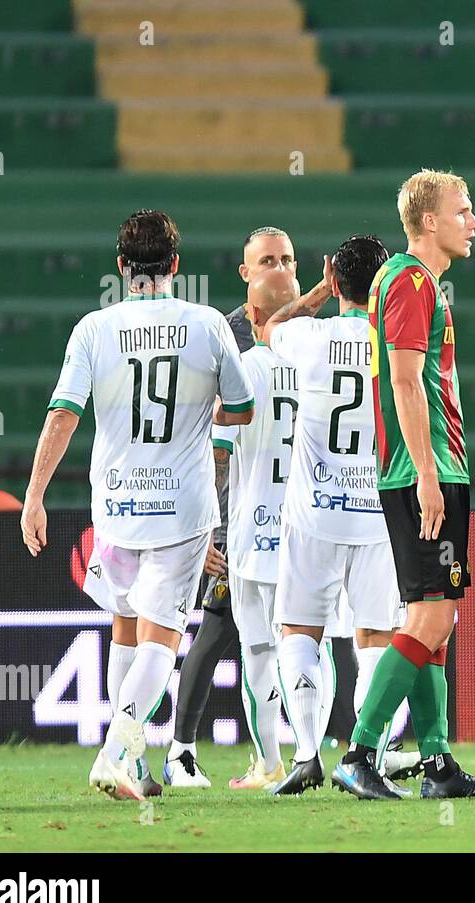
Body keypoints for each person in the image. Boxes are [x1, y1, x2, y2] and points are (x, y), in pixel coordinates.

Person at [22, 209, 253, 801]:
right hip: (183, 507)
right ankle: (118, 751)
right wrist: (198, 415)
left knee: (124, 626)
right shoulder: (206, 325)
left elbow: (63, 414)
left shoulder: (94, 329)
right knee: (161, 637)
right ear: (175, 265)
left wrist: (35, 497)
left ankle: (136, 765)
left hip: (117, 508)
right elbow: (243, 409)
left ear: (122, 267)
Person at [344, 170, 475, 800]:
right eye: (464, 211)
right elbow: (406, 381)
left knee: (432, 619)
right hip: (426, 471)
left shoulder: (411, 282)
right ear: (431, 221)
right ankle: (361, 751)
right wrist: (428, 473)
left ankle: (437, 761)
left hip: (428, 469)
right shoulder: (412, 282)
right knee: (433, 615)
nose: (474, 222)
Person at [260, 235, 413, 797]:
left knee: (299, 630)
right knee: (375, 638)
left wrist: (317, 292)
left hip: (313, 512)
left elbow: (268, 328)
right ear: (381, 284)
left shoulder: (310, 336)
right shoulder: (393, 341)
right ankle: (363, 754)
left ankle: (305, 754)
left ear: (334, 278)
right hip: (377, 513)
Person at [166, 225, 298, 788]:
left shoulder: (305, 332)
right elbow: (201, 436)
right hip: (242, 517)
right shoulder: (227, 337)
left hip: (293, 516)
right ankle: (182, 750)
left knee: (288, 635)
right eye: (267, 260)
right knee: (221, 625)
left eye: (287, 259)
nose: (278, 268)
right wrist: (210, 528)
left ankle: (296, 752)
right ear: (245, 273)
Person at [209, 268, 301, 789]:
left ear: (254, 316)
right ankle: (312, 751)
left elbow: (219, 455)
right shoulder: (318, 364)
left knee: (259, 650)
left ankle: (269, 763)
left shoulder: (243, 367)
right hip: (311, 531)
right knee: (310, 643)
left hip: (251, 533)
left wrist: (210, 526)